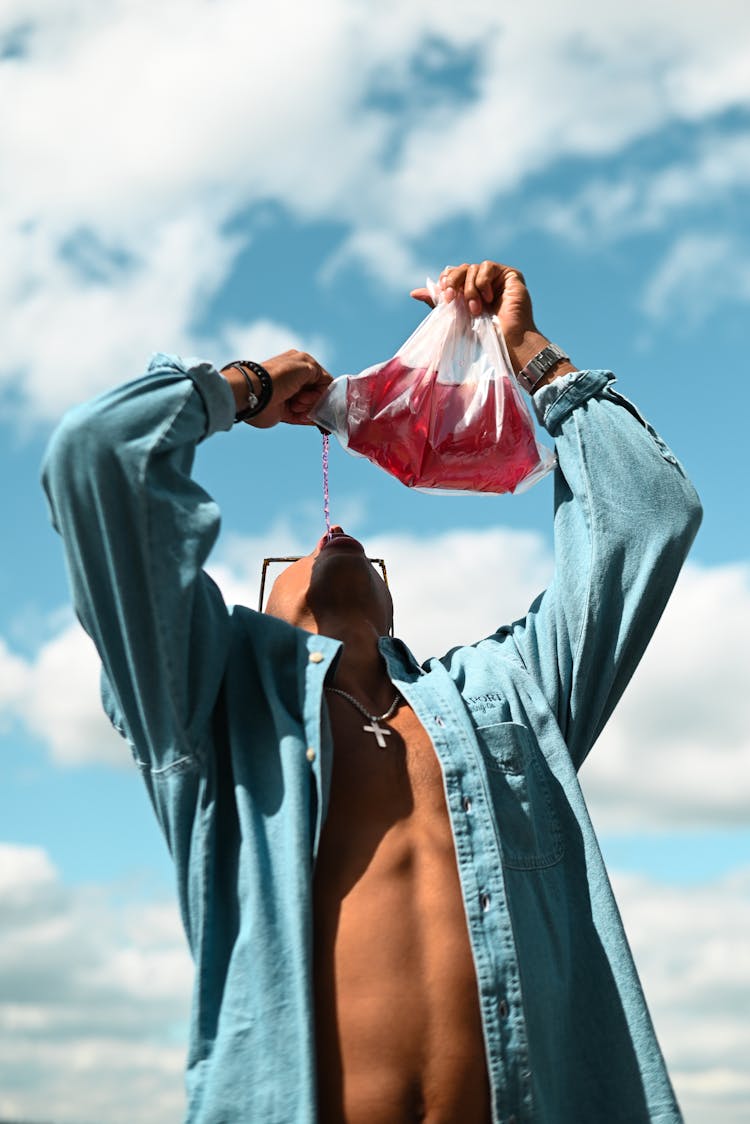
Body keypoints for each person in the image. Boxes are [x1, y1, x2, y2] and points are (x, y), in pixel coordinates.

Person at [42, 261, 701, 1124]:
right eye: (295, 558)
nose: (333, 534)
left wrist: (529, 354)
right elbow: (97, 458)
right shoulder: (207, 703)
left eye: (358, 550)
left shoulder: (504, 693)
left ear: (392, 606)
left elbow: (648, 516)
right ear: (254, 607)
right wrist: (242, 388)